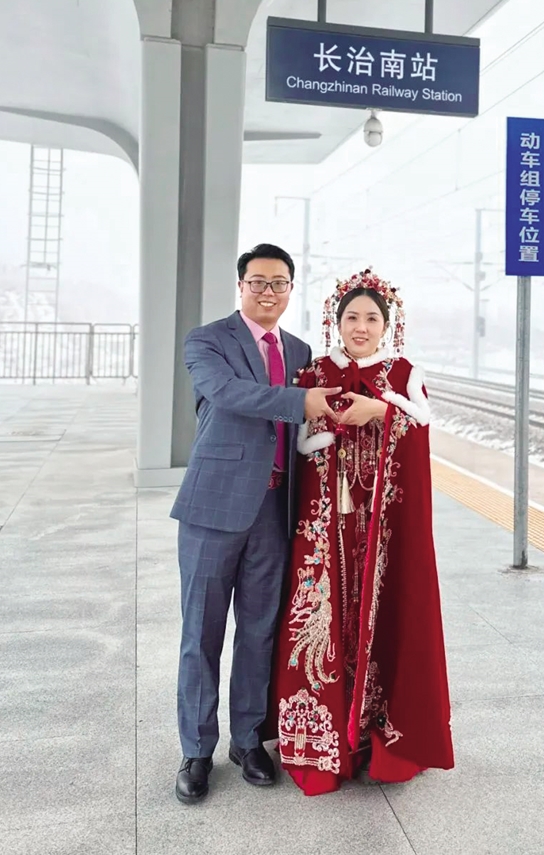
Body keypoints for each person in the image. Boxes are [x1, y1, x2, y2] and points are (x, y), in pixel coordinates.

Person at [272, 268, 454, 795]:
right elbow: (300, 440)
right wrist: (323, 438)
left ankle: (383, 741)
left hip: (383, 527)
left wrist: (383, 410)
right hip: (327, 524)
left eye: (372, 318)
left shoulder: (405, 376)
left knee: (388, 613)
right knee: (320, 616)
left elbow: (419, 439)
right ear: (336, 321)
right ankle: (324, 743)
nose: (361, 327)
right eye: (351, 316)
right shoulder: (315, 372)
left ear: (387, 325)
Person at [169, 243, 340, 804]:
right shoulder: (207, 341)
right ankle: (197, 750)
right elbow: (227, 393)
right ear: (240, 286)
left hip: (274, 510)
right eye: (259, 282)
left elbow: (309, 424)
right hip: (214, 507)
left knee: (261, 630)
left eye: (280, 283)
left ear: (291, 289)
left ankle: (248, 741)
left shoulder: (301, 351)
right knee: (202, 633)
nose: (269, 292)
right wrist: (300, 400)